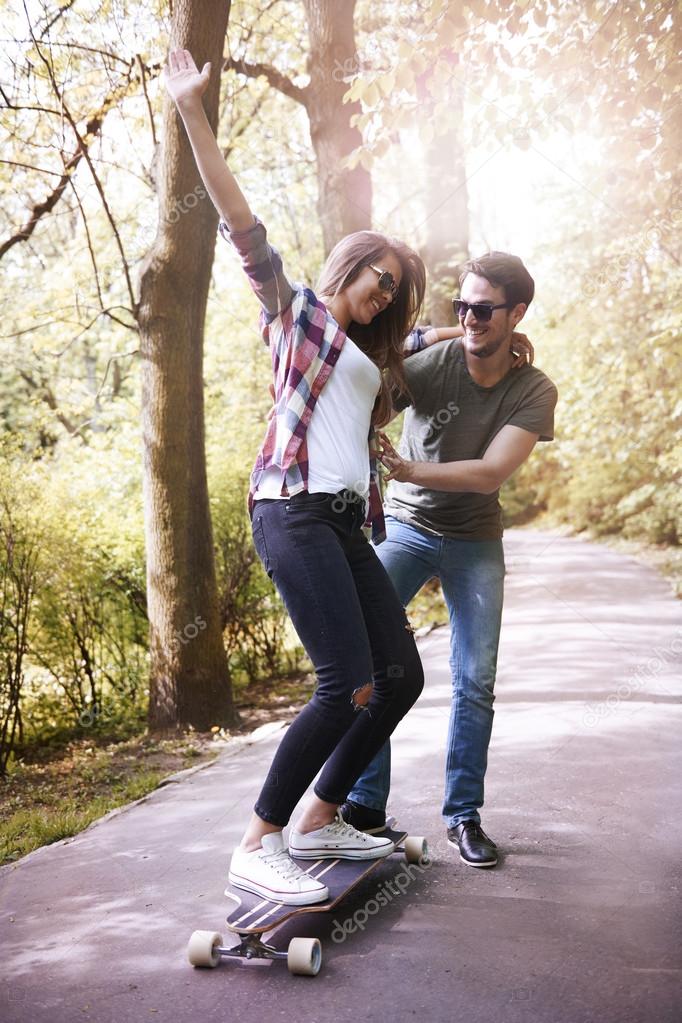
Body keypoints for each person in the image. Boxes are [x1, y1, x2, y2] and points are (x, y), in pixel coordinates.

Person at [164, 48, 427, 905]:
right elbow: (240, 219)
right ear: (347, 268)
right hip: (292, 511)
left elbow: (416, 359)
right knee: (343, 682)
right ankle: (259, 838)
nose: (383, 293)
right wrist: (193, 113)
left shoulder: (368, 358)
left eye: (395, 289)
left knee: (401, 676)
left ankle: (323, 814)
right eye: (375, 278)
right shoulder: (298, 313)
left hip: (343, 523)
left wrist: (471, 339)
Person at [341, 252, 558, 869]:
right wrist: (438, 331)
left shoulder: (534, 389)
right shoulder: (434, 361)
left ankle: (463, 815)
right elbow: (369, 372)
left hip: (474, 539)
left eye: (484, 309)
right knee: (363, 655)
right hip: (407, 525)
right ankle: (363, 807)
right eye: (461, 306)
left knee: (474, 680)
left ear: (516, 314)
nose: (469, 318)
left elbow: (490, 473)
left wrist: (409, 468)